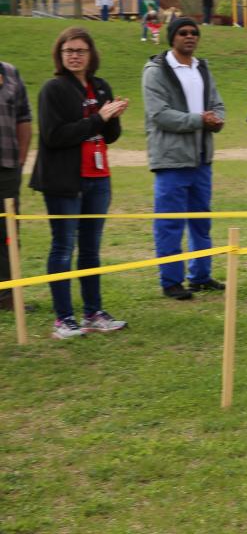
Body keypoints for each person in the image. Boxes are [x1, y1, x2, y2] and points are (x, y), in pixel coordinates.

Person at [31, 27, 129, 338]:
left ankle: (93, 312)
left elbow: (110, 136)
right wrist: (99, 119)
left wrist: (112, 118)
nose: (74, 55)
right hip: (63, 181)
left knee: (90, 250)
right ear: (60, 56)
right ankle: (63, 319)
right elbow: (54, 135)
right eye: (68, 51)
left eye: (80, 50)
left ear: (91, 55)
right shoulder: (53, 89)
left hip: (98, 179)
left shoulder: (100, 87)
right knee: (63, 247)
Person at [143, 17, 227, 301]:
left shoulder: (202, 68)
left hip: (201, 159)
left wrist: (217, 120)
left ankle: (200, 276)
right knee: (170, 223)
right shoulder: (156, 71)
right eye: (183, 33)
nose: (189, 37)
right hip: (171, 160)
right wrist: (199, 120)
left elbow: (217, 104)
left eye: (194, 33)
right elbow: (160, 114)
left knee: (201, 221)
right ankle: (171, 281)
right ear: (172, 37)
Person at [0, 56, 32, 313]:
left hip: (7, 168)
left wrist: (20, 160)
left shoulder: (10, 72)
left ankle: (8, 296)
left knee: (8, 233)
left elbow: (24, 118)